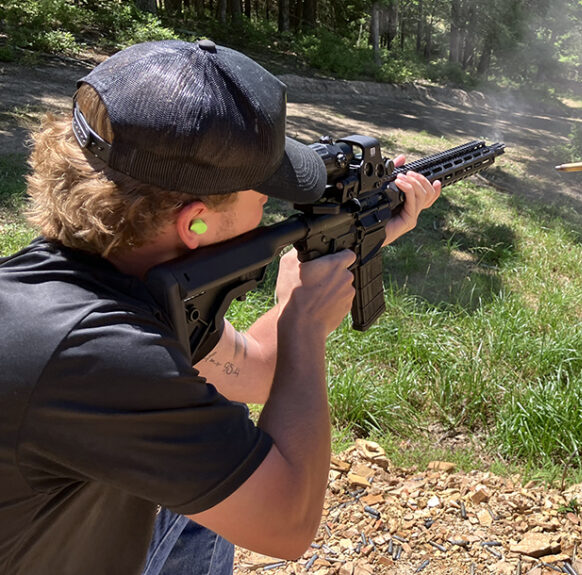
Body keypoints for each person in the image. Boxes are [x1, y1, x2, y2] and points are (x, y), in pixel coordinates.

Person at [0, 39, 441, 574]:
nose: (271, 220)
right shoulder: (101, 353)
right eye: (264, 205)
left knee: (210, 480)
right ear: (195, 224)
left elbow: (253, 371)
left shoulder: (97, 281)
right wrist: (303, 325)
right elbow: (286, 524)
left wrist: (351, 244)